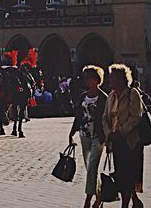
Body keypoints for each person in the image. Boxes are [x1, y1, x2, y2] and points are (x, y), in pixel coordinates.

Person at [103, 64, 145, 208]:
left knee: (128, 175)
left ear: (121, 79)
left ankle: (126, 204)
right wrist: (109, 134)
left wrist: (121, 132)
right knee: (121, 176)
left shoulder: (132, 93)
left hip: (130, 141)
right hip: (115, 142)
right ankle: (134, 200)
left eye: (113, 78)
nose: (110, 80)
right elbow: (105, 118)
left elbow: (136, 116)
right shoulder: (110, 96)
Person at [69, 65, 108, 208]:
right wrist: (72, 132)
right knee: (90, 168)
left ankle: (88, 200)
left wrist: (108, 139)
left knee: (92, 167)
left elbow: (107, 119)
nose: (85, 81)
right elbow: (78, 116)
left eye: (88, 78)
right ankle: (100, 195)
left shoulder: (104, 98)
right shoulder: (82, 97)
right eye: (84, 78)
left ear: (97, 80)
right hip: (84, 135)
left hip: (98, 137)